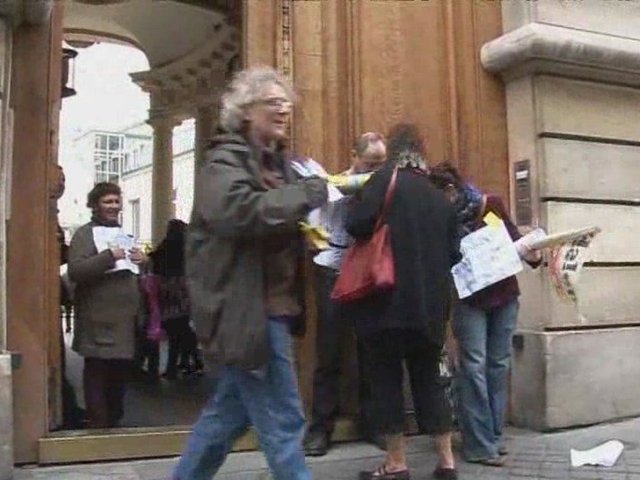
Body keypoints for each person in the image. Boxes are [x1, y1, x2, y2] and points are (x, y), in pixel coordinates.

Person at [173, 67, 327, 480]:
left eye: (286, 103)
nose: (283, 110)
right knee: (284, 418)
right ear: (244, 112)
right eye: (272, 103)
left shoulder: (279, 165)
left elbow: (276, 215)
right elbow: (239, 212)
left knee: (227, 418)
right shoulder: (222, 161)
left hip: (272, 306)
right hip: (247, 310)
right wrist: (306, 196)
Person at [345, 124, 460, 480]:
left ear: (393, 153)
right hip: (430, 310)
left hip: (386, 304)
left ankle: (396, 464)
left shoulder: (383, 183)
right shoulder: (439, 198)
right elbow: (454, 254)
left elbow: (356, 224)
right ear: (421, 153)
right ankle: (446, 462)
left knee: (387, 381)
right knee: (429, 380)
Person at [428, 163, 541, 467]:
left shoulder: (489, 206)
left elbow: (515, 240)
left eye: (441, 197)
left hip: (504, 295)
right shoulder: (440, 219)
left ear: (451, 191)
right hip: (469, 300)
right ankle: (479, 445)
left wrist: (535, 254)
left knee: (497, 364)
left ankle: (492, 435)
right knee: (474, 366)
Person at [303, 132, 387, 457]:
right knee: (330, 351)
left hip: (369, 269)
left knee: (371, 349)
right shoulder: (332, 184)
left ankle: (374, 422)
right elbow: (313, 225)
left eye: (381, 165)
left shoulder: (383, 188)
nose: (375, 170)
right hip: (334, 268)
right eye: (370, 164)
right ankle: (321, 428)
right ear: (355, 156)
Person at [68, 182, 147, 428]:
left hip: (124, 320)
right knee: (97, 373)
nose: (113, 207)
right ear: (95, 205)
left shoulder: (123, 233)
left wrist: (144, 261)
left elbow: (133, 272)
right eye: (107, 202)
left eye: (116, 201)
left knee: (119, 375)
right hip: (98, 320)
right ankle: (99, 426)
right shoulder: (84, 234)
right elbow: (76, 271)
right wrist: (108, 257)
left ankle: (113, 422)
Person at [149, 219, 203, 379]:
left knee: (175, 330)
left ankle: (177, 364)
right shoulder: (188, 248)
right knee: (183, 328)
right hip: (184, 293)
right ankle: (188, 360)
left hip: (168, 294)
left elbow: (154, 260)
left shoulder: (165, 247)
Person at [53, 164, 85, 429]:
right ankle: (63, 409)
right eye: (58, 179)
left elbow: (60, 253)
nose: (61, 184)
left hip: (51, 293)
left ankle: (66, 407)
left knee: (57, 354)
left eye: (64, 179)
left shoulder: (52, 212)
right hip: (40, 295)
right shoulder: (40, 209)